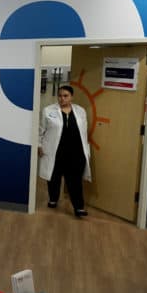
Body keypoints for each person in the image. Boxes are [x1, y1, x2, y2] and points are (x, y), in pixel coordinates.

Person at [38, 85, 91, 217]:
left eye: (65, 96)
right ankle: (53, 199)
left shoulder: (80, 111)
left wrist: (86, 151)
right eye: (60, 96)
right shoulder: (48, 110)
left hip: (76, 152)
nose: (62, 98)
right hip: (55, 151)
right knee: (54, 177)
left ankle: (79, 207)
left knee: (75, 181)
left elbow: (84, 133)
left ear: (71, 97)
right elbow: (40, 130)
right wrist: (39, 145)